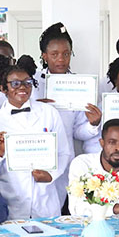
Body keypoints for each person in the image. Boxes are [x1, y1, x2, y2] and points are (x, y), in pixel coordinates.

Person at [0, 64, 71, 219]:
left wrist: (51, 175)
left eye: (27, 82)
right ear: (3, 88)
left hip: (45, 199)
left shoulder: (49, 113)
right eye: (15, 83)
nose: (22, 87)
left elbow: (63, 152)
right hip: (11, 200)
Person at [33, 23, 101, 158]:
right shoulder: (32, 83)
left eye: (66, 54)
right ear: (44, 56)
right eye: (54, 54)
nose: (61, 59)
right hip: (35, 155)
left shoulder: (80, 86)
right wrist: (37, 108)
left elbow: (77, 132)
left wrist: (93, 125)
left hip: (66, 159)